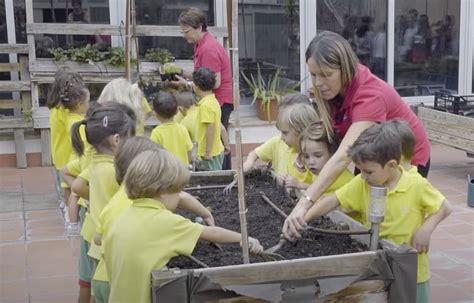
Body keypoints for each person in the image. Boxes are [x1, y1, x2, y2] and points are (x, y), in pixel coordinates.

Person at [283, 31, 431, 239]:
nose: (318, 83)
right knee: (366, 210)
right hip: (372, 153)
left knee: (396, 218)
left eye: (326, 74)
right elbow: (334, 131)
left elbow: (344, 155)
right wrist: (304, 152)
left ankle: (403, 261)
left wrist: (304, 203)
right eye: (314, 74)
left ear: (345, 68)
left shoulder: (368, 95)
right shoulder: (334, 89)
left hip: (405, 156)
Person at [298, 122, 452, 303]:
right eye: (361, 170)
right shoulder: (363, 182)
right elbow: (333, 200)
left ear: (392, 165)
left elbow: (445, 207)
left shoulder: (416, 185)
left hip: (411, 270)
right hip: (377, 264)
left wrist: (426, 229)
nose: (362, 175)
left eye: (368, 171)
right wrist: (302, 219)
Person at [104, 149, 263, 303]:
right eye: (179, 191)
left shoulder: (123, 216)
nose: (180, 196)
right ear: (163, 192)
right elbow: (212, 233)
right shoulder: (164, 221)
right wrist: (243, 238)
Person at [91, 136, 215, 303]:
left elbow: (98, 239)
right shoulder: (142, 207)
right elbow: (182, 196)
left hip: (106, 277)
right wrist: (206, 214)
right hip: (130, 283)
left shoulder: (119, 199)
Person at [70, 103, 136, 303]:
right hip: (106, 239)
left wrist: (97, 198)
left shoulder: (97, 163)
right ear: (117, 140)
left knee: (89, 284)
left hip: (90, 231)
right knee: (105, 287)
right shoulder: (115, 171)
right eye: (130, 138)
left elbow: (77, 186)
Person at [175, 7, 233, 169]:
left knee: (216, 143)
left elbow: (215, 82)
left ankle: (223, 175)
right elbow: (202, 76)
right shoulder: (201, 44)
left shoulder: (209, 48)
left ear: (199, 27)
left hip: (220, 99)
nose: (184, 35)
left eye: (186, 31)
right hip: (213, 98)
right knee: (219, 140)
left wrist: (187, 85)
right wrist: (181, 73)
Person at [242, 93, 312, 174]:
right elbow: (255, 153)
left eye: (285, 132)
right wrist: (249, 163)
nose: (281, 119)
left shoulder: (312, 154)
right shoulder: (278, 141)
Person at [290, 122, 353, 191]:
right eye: (306, 156)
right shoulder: (317, 171)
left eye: (318, 156)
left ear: (333, 153)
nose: (311, 162)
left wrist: (300, 185)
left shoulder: (343, 180)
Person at [193, 68, 225, 171]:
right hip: (217, 149)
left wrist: (208, 152)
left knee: (211, 180)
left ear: (196, 86)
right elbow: (219, 125)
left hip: (209, 154)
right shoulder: (213, 101)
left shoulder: (205, 106)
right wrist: (227, 143)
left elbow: (210, 129)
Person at [150, 91, 193, 164]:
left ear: (156, 114)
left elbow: (154, 156)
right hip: (182, 169)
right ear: (177, 111)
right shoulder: (182, 129)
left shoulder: (156, 132)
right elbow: (189, 150)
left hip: (167, 171)